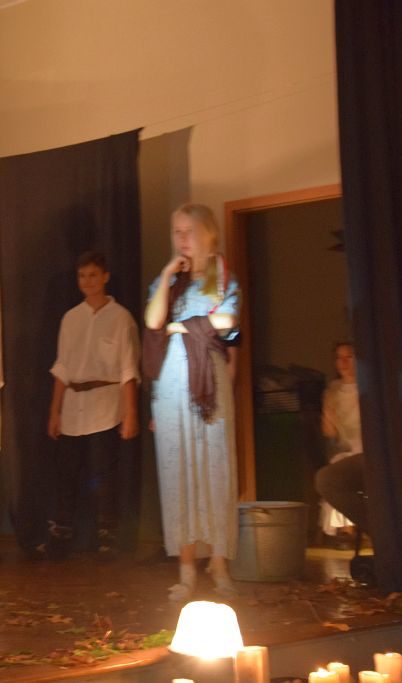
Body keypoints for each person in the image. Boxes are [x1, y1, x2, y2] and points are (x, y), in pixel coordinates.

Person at [144, 203, 240, 601]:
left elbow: (229, 324)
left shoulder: (222, 277)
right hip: (171, 383)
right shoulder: (170, 281)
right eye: (176, 232)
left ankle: (219, 564)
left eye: (189, 231)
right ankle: (186, 568)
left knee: (215, 470)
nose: (182, 239)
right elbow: (153, 322)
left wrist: (181, 326)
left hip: (209, 382)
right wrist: (168, 274)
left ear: (207, 234)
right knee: (177, 471)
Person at [46, 251, 140, 560]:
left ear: (105, 277)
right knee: (66, 473)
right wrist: (55, 411)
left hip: (105, 404)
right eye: (82, 276)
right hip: (74, 404)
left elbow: (128, 368)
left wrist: (130, 412)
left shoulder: (121, 317)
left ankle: (107, 534)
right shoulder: (71, 318)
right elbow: (62, 367)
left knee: (103, 473)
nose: (88, 282)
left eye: (93, 275)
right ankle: (62, 532)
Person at [319, 342, 363, 543]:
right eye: (339, 358)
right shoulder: (332, 391)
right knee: (337, 471)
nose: (343, 362)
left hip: (366, 446)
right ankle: (347, 528)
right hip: (345, 447)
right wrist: (328, 416)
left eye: (349, 357)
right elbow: (329, 432)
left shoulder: (367, 388)